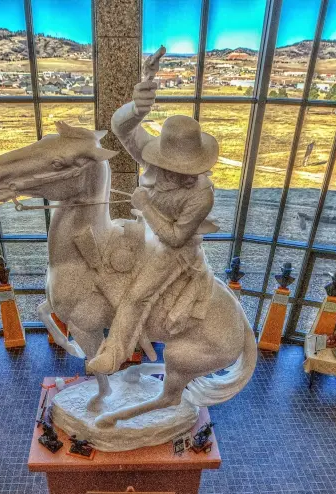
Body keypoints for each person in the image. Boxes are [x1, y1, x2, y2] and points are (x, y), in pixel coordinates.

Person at [88, 47, 220, 375]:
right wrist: (138, 104)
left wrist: (145, 207)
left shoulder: (202, 196)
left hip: (174, 250)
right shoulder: (155, 158)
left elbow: (175, 238)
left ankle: (114, 353)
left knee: (136, 296)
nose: (169, 172)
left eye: (181, 167)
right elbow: (122, 128)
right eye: (167, 164)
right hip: (147, 229)